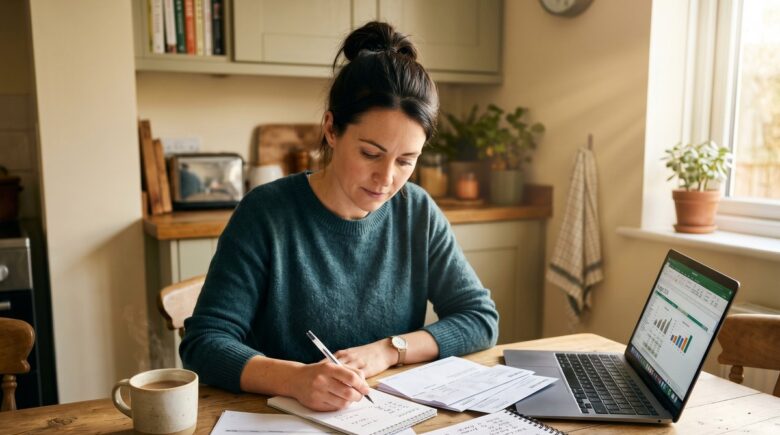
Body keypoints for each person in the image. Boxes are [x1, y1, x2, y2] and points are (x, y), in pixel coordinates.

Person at [180, 21, 499, 412]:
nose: (386, 179)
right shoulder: (265, 214)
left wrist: (390, 350)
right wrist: (293, 379)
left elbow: (479, 318)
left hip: (383, 417)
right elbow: (204, 342)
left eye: (406, 161)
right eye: (370, 153)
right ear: (331, 129)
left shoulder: (417, 212)